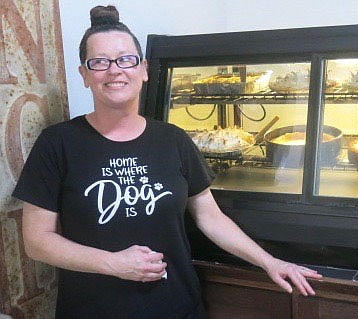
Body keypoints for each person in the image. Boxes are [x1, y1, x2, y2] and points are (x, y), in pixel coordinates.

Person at [12, 5, 322, 319]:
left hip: (177, 307)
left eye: (126, 59)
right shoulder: (57, 143)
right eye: (100, 62)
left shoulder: (172, 139)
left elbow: (210, 218)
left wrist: (270, 262)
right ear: (85, 75)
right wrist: (114, 263)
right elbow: (37, 242)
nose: (115, 70)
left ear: (143, 69)